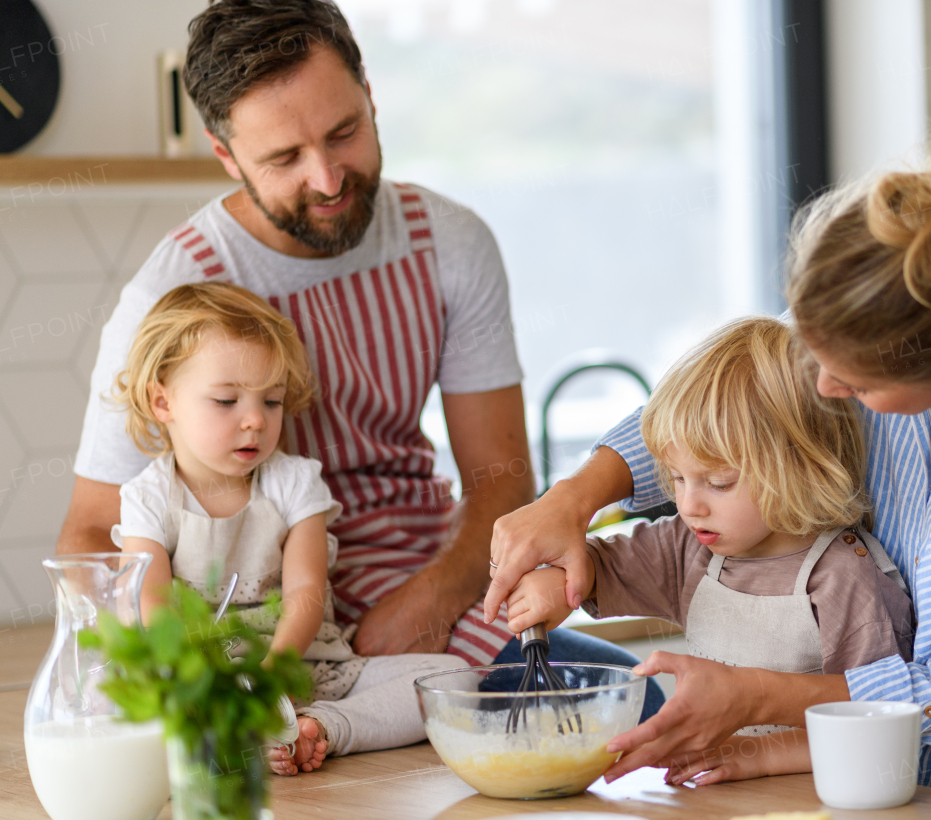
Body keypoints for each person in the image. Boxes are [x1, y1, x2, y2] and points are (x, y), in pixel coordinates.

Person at [486, 128, 931, 820]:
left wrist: (754, 701)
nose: (822, 384)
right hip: (895, 787)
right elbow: (743, 404)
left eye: (857, 384)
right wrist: (572, 498)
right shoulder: (871, 314)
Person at [57, 0, 662, 717]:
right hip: (245, 627)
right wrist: (183, 658)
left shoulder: (449, 244)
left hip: (424, 580)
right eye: (283, 158)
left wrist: (434, 597)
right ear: (227, 157)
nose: (327, 178)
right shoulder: (177, 288)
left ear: (370, 95)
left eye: (344, 131)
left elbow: (501, 483)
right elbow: (90, 534)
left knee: (634, 699)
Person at [506, 317, 914, 785]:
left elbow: (876, 720)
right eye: (678, 478)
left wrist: (758, 754)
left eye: (718, 483)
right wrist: (555, 584)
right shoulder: (689, 546)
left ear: (800, 466)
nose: (688, 504)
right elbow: (597, 568)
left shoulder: (844, 577)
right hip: (714, 798)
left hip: (813, 803)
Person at [115, 282, 468, 775]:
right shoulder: (150, 498)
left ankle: (323, 727)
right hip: (201, 676)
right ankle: (241, 732)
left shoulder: (295, 482)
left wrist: (271, 674)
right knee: (105, 697)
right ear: (163, 402)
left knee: (453, 677)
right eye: (225, 401)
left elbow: (306, 589)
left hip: (303, 670)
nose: (255, 420)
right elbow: (146, 602)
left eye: (272, 401)